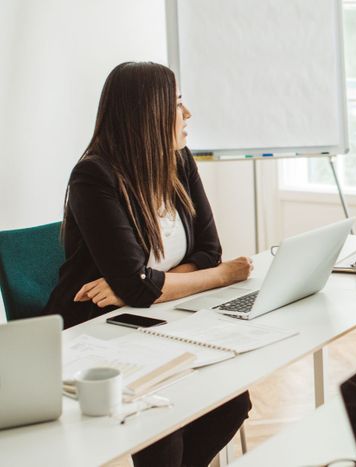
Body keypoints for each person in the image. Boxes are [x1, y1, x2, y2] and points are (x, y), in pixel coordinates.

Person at [41, 62, 251, 466]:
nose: (187, 114)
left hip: (158, 316)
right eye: (176, 104)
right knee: (164, 429)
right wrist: (220, 277)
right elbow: (166, 280)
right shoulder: (93, 176)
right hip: (94, 327)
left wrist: (153, 284)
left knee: (231, 401)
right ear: (146, 113)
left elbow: (208, 251)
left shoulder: (179, 161)